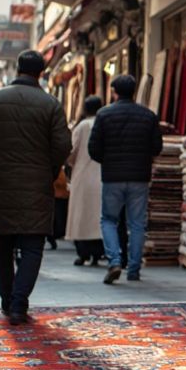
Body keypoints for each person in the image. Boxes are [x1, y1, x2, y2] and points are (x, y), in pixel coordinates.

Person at [0, 50, 73, 325]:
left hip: (2, 183)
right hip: (37, 185)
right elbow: (62, 146)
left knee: (4, 244)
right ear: (41, 73)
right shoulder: (50, 104)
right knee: (33, 246)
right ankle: (19, 303)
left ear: (17, 68)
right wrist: (49, 171)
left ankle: (6, 300)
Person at [89, 74, 162, 285]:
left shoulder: (103, 115)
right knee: (137, 223)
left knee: (109, 220)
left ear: (114, 92)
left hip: (112, 177)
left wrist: (108, 161)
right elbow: (156, 147)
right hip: (139, 176)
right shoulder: (148, 116)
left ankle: (114, 261)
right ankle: (134, 269)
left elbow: (94, 149)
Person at [65, 95, 106, 266]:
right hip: (102, 174)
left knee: (81, 216)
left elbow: (71, 151)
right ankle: (97, 253)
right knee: (98, 217)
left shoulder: (81, 126)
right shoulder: (104, 124)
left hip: (82, 174)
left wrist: (70, 164)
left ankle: (83, 254)